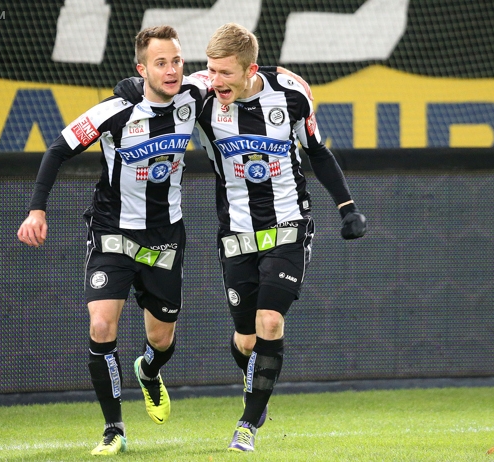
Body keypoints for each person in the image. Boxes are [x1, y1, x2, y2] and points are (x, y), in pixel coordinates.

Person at [115, 22, 367, 453]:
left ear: (251, 69)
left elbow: (317, 150)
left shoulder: (290, 94)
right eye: (210, 71)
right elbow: (156, 89)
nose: (215, 81)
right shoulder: (200, 94)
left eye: (224, 73)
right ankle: (242, 380)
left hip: (288, 225)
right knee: (247, 339)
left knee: (270, 321)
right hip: (236, 233)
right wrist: (131, 88)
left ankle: (247, 424)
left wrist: (347, 208)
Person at [17, 25, 209, 456]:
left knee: (162, 340)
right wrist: (36, 209)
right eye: (161, 62)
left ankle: (147, 371)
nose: (172, 69)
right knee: (102, 324)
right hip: (113, 232)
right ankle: (114, 429)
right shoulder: (114, 111)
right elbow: (57, 150)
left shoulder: (195, 96)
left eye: (177, 60)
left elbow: (239, 69)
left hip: (164, 237)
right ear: (142, 69)